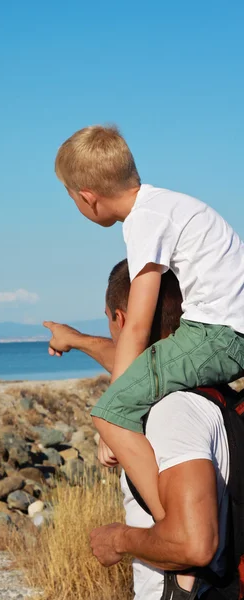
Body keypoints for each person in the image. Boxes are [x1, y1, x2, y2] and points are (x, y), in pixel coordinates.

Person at [50, 125, 244, 521]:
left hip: (218, 335)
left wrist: (114, 424)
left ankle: (170, 526)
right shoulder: (168, 205)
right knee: (127, 398)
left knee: (107, 414)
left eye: (72, 199)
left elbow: (136, 326)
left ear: (88, 199)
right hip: (227, 330)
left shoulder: (144, 221)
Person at [45, 260, 230, 599]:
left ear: (122, 319)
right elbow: (128, 363)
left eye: (108, 318)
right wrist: (75, 339)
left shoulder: (171, 412)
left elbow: (194, 545)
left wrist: (117, 539)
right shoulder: (206, 384)